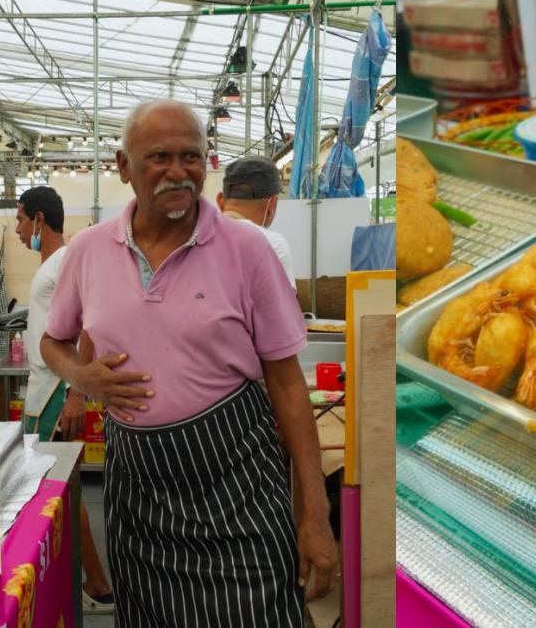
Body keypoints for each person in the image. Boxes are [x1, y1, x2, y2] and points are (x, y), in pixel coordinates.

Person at [40, 99, 337, 626]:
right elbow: (54, 342)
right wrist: (81, 379)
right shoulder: (88, 251)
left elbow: (289, 386)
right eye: (159, 157)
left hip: (240, 485)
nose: (178, 173)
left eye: (191, 156)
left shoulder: (247, 248)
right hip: (140, 494)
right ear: (123, 165)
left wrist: (315, 512)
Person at [0, 186, 115, 614]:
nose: (18, 229)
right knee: (51, 490)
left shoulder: (67, 260)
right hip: (44, 389)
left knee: (59, 490)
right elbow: (39, 318)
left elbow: (91, 325)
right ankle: (77, 577)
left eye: (20, 219)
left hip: (59, 388)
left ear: (39, 219)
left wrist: (78, 393)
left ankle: (96, 583)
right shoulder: (49, 266)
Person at [217, 155, 296, 288]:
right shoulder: (272, 244)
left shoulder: (193, 236)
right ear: (271, 204)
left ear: (220, 200)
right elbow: (286, 307)